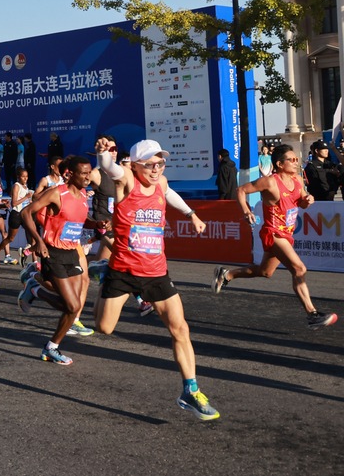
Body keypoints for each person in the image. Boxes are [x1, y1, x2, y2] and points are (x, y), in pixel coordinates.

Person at [94, 140, 220, 421]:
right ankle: (104, 276)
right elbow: (109, 168)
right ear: (136, 165)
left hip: (156, 272)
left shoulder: (160, 182)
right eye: (150, 164)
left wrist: (192, 215)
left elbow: (169, 192)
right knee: (104, 328)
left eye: (160, 163)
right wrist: (104, 155)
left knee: (180, 329)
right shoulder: (127, 180)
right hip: (123, 271)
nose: (155, 169)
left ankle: (190, 390)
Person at [213, 144, 338, 330]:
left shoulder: (297, 180)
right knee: (299, 269)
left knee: (265, 272)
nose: (296, 163)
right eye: (292, 160)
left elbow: (302, 202)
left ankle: (227, 274)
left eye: (296, 159)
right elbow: (241, 190)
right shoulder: (270, 182)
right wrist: (246, 211)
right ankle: (312, 314)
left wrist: (308, 199)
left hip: (286, 234)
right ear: (280, 164)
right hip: (273, 232)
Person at [19, 156, 104, 365]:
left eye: (89, 172)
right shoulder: (57, 193)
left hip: (71, 252)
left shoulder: (84, 195)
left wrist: (96, 224)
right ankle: (51, 348)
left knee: (72, 304)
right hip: (53, 251)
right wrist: (38, 241)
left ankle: (34, 288)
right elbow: (26, 212)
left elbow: (82, 221)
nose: (87, 177)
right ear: (70, 174)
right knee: (73, 306)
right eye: (83, 173)